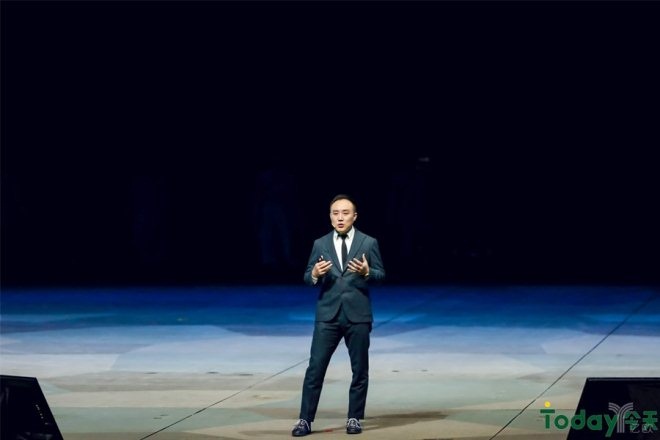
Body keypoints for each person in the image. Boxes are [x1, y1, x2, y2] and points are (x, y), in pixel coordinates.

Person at [292, 194, 386, 436]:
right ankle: (305, 420)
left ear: (354, 216)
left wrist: (367, 272)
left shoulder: (368, 242)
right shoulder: (320, 244)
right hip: (328, 316)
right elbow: (307, 277)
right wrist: (314, 273)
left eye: (345, 213)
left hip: (358, 315)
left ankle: (354, 417)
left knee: (359, 370)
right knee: (315, 369)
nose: (340, 217)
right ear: (330, 217)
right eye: (335, 213)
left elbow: (381, 275)